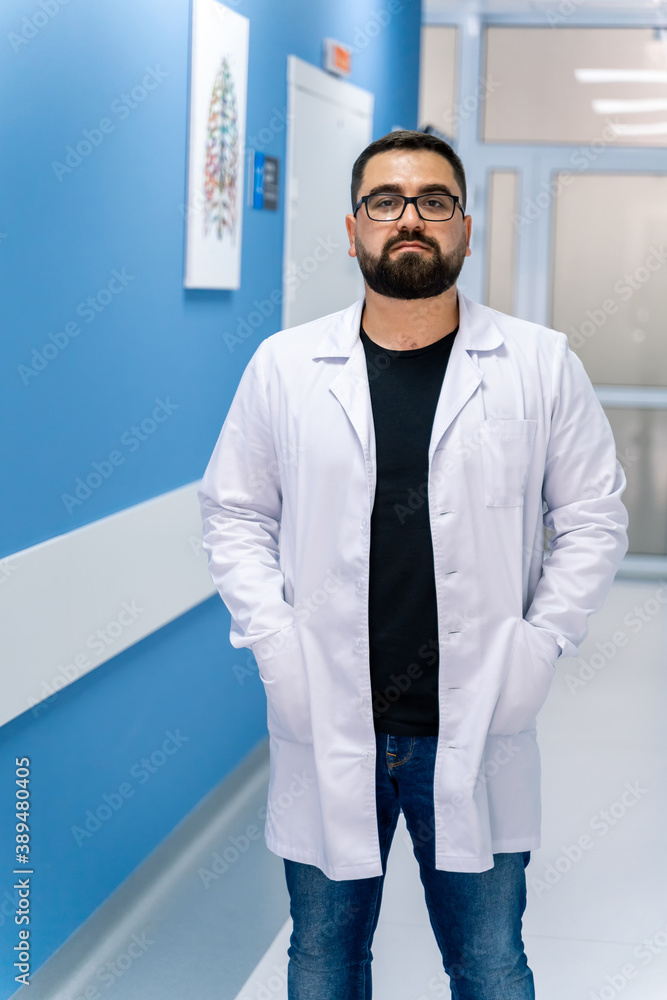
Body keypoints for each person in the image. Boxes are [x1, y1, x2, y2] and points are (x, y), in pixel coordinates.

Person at [197, 130, 629, 1000]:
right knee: (322, 961)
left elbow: (591, 519)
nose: (409, 220)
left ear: (464, 228)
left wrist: (540, 644)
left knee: (489, 966)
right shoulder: (284, 366)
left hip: (476, 720)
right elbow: (235, 512)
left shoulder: (539, 364)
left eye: (433, 202)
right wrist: (275, 644)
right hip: (328, 716)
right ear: (351, 226)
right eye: (385, 201)